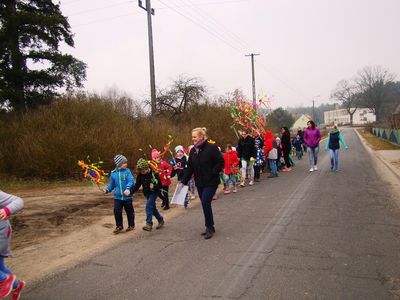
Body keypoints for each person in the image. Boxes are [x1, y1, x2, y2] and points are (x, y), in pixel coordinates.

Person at [181, 127, 224, 240]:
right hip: (200, 182)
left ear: (201, 136)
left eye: (194, 137)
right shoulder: (193, 151)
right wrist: (183, 182)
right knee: (205, 204)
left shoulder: (212, 148)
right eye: (192, 137)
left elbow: (220, 161)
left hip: (211, 181)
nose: (193, 139)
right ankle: (211, 226)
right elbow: (190, 168)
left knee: (205, 202)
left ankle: (209, 227)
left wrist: (213, 173)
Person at [0, 191, 24, 300]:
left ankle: (3, 280)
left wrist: (6, 210)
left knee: (2, 276)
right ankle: (16, 285)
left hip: (1, 233)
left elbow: (18, 201)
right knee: (0, 267)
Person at [131, 158, 165, 232]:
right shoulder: (140, 175)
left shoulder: (154, 173)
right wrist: (130, 192)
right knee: (152, 209)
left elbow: (160, 185)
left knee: (148, 206)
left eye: (143, 171)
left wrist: (154, 186)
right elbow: (137, 185)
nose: (142, 172)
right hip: (147, 193)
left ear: (147, 168)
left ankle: (149, 224)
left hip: (154, 192)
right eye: (140, 171)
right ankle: (160, 219)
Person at [105, 154, 135, 234]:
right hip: (117, 197)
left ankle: (131, 225)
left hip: (127, 197)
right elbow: (112, 184)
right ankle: (119, 226)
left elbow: (131, 181)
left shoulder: (127, 171)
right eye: (124, 163)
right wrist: (108, 189)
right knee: (117, 211)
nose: (126, 164)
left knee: (129, 211)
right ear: (119, 164)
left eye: (126, 162)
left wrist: (128, 188)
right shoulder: (113, 173)